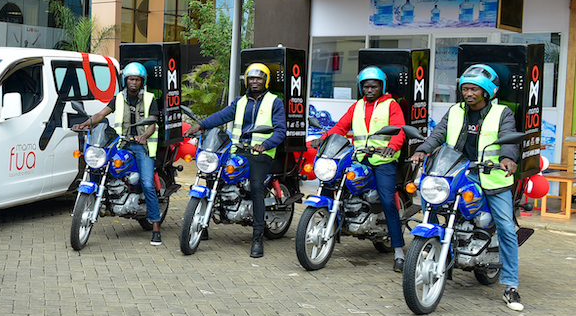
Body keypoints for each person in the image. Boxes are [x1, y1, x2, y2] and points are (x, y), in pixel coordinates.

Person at [412, 64, 522, 311]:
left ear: (487, 91)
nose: (469, 93)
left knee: (505, 226)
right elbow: (438, 135)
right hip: (458, 173)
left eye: (474, 89)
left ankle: (511, 286)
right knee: (433, 204)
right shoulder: (455, 111)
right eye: (465, 89)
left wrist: (507, 159)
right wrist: (422, 150)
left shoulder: (502, 113)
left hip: (492, 178)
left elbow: (509, 138)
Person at [309, 66, 407, 271]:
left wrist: (392, 147)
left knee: (388, 200)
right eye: (366, 86)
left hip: (383, 161)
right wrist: (323, 138)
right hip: (361, 158)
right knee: (334, 182)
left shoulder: (391, 105)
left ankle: (398, 250)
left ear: (382, 86)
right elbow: (340, 127)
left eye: (374, 86)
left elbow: (399, 130)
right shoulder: (357, 106)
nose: (369, 90)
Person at [185, 63, 286, 258]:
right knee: (213, 175)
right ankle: (203, 223)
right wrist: (199, 125)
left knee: (257, 188)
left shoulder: (275, 102)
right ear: (246, 81)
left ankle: (257, 238)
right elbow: (221, 116)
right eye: (251, 78)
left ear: (265, 81)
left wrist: (265, 144)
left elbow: (281, 130)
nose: (254, 82)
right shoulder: (240, 102)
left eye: (258, 78)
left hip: (261, 154)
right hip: (237, 150)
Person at [73, 62, 163, 245]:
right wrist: (85, 123)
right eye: (131, 79)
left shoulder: (149, 99)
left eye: (137, 79)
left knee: (146, 183)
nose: (133, 82)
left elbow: (152, 122)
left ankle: (155, 226)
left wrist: (144, 136)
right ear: (125, 80)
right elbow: (100, 115)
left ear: (142, 82)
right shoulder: (119, 98)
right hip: (121, 144)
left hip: (142, 147)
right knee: (101, 166)